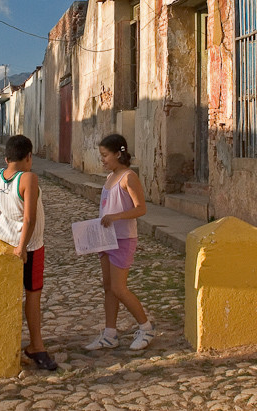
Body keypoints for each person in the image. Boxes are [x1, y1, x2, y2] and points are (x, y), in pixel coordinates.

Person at [0, 134, 58, 371]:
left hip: (2, 240)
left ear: (6, 158)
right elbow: (29, 217)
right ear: (29, 157)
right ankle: (36, 345)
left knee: (4, 294)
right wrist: (22, 247)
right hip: (29, 246)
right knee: (32, 295)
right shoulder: (28, 178)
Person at [85, 133, 155, 351]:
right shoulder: (110, 177)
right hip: (106, 238)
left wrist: (115, 217)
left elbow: (141, 208)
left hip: (123, 239)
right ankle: (110, 333)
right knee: (108, 288)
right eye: (101, 156)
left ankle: (146, 327)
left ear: (118, 154)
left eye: (105, 155)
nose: (102, 160)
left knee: (119, 287)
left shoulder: (128, 177)